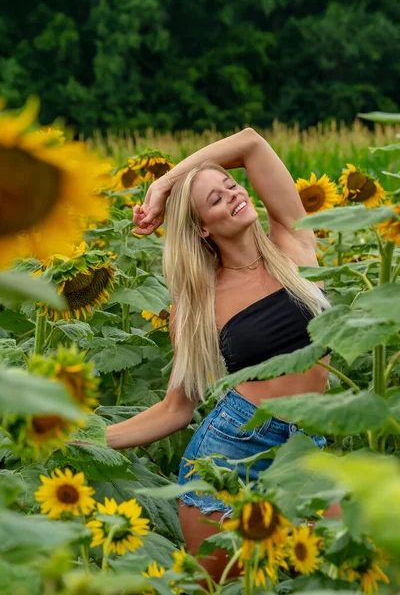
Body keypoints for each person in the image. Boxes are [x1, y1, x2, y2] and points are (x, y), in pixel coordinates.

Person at [105, 128, 336, 585]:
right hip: (228, 458)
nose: (234, 193)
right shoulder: (199, 304)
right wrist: (85, 437)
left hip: (307, 447)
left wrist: (164, 184)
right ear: (203, 229)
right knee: (225, 591)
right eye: (216, 198)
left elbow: (250, 144)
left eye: (231, 185)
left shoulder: (294, 244)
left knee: (340, 573)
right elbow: (176, 409)